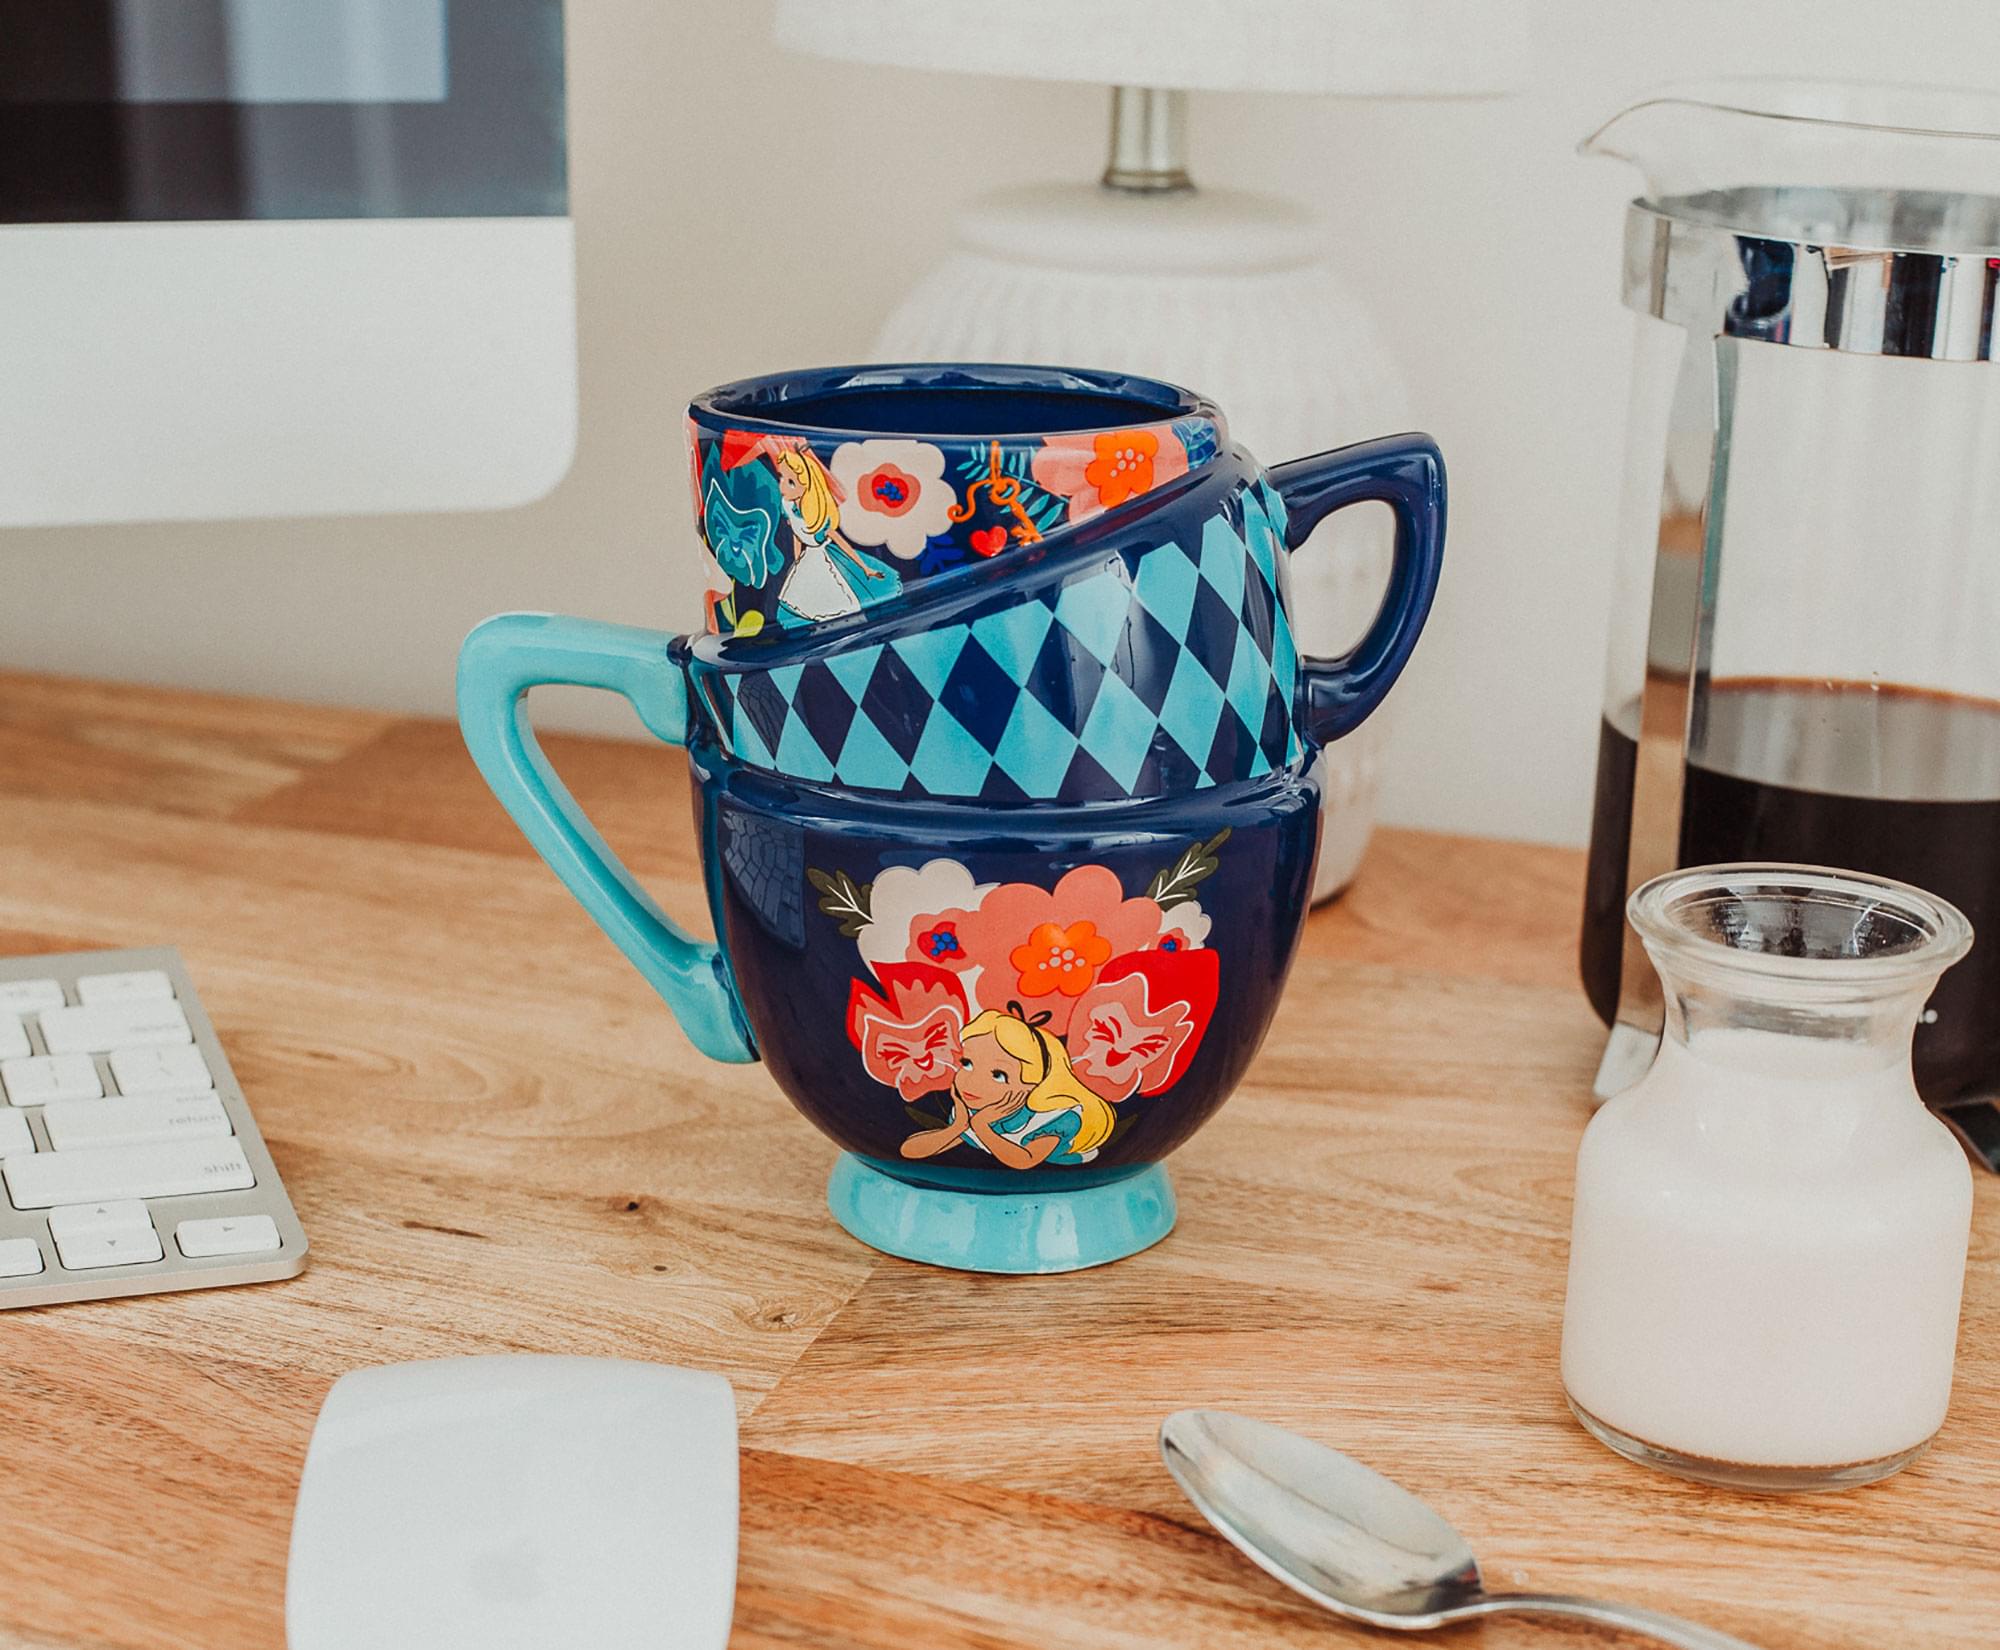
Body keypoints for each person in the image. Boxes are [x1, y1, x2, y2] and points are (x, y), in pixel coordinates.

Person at [900, 1005, 1116, 1168]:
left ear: (1031, 1085)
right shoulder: (975, 1110)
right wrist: (957, 1127)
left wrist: (982, 1127)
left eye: (998, 1075)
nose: (972, 1081)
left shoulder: (1051, 1117)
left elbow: (1025, 1160)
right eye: (967, 1064)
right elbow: (909, 1151)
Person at [770, 445, 890, 623]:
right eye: (782, 477)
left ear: (807, 486)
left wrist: (865, 568)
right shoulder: (788, 506)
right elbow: (796, 536)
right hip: (806, 560)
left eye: (791, 482)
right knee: (801, 601)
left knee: (832, 602)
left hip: (820, 559)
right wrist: (796, 561)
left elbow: (842, 543)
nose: (782, 485)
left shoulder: (819, 519)